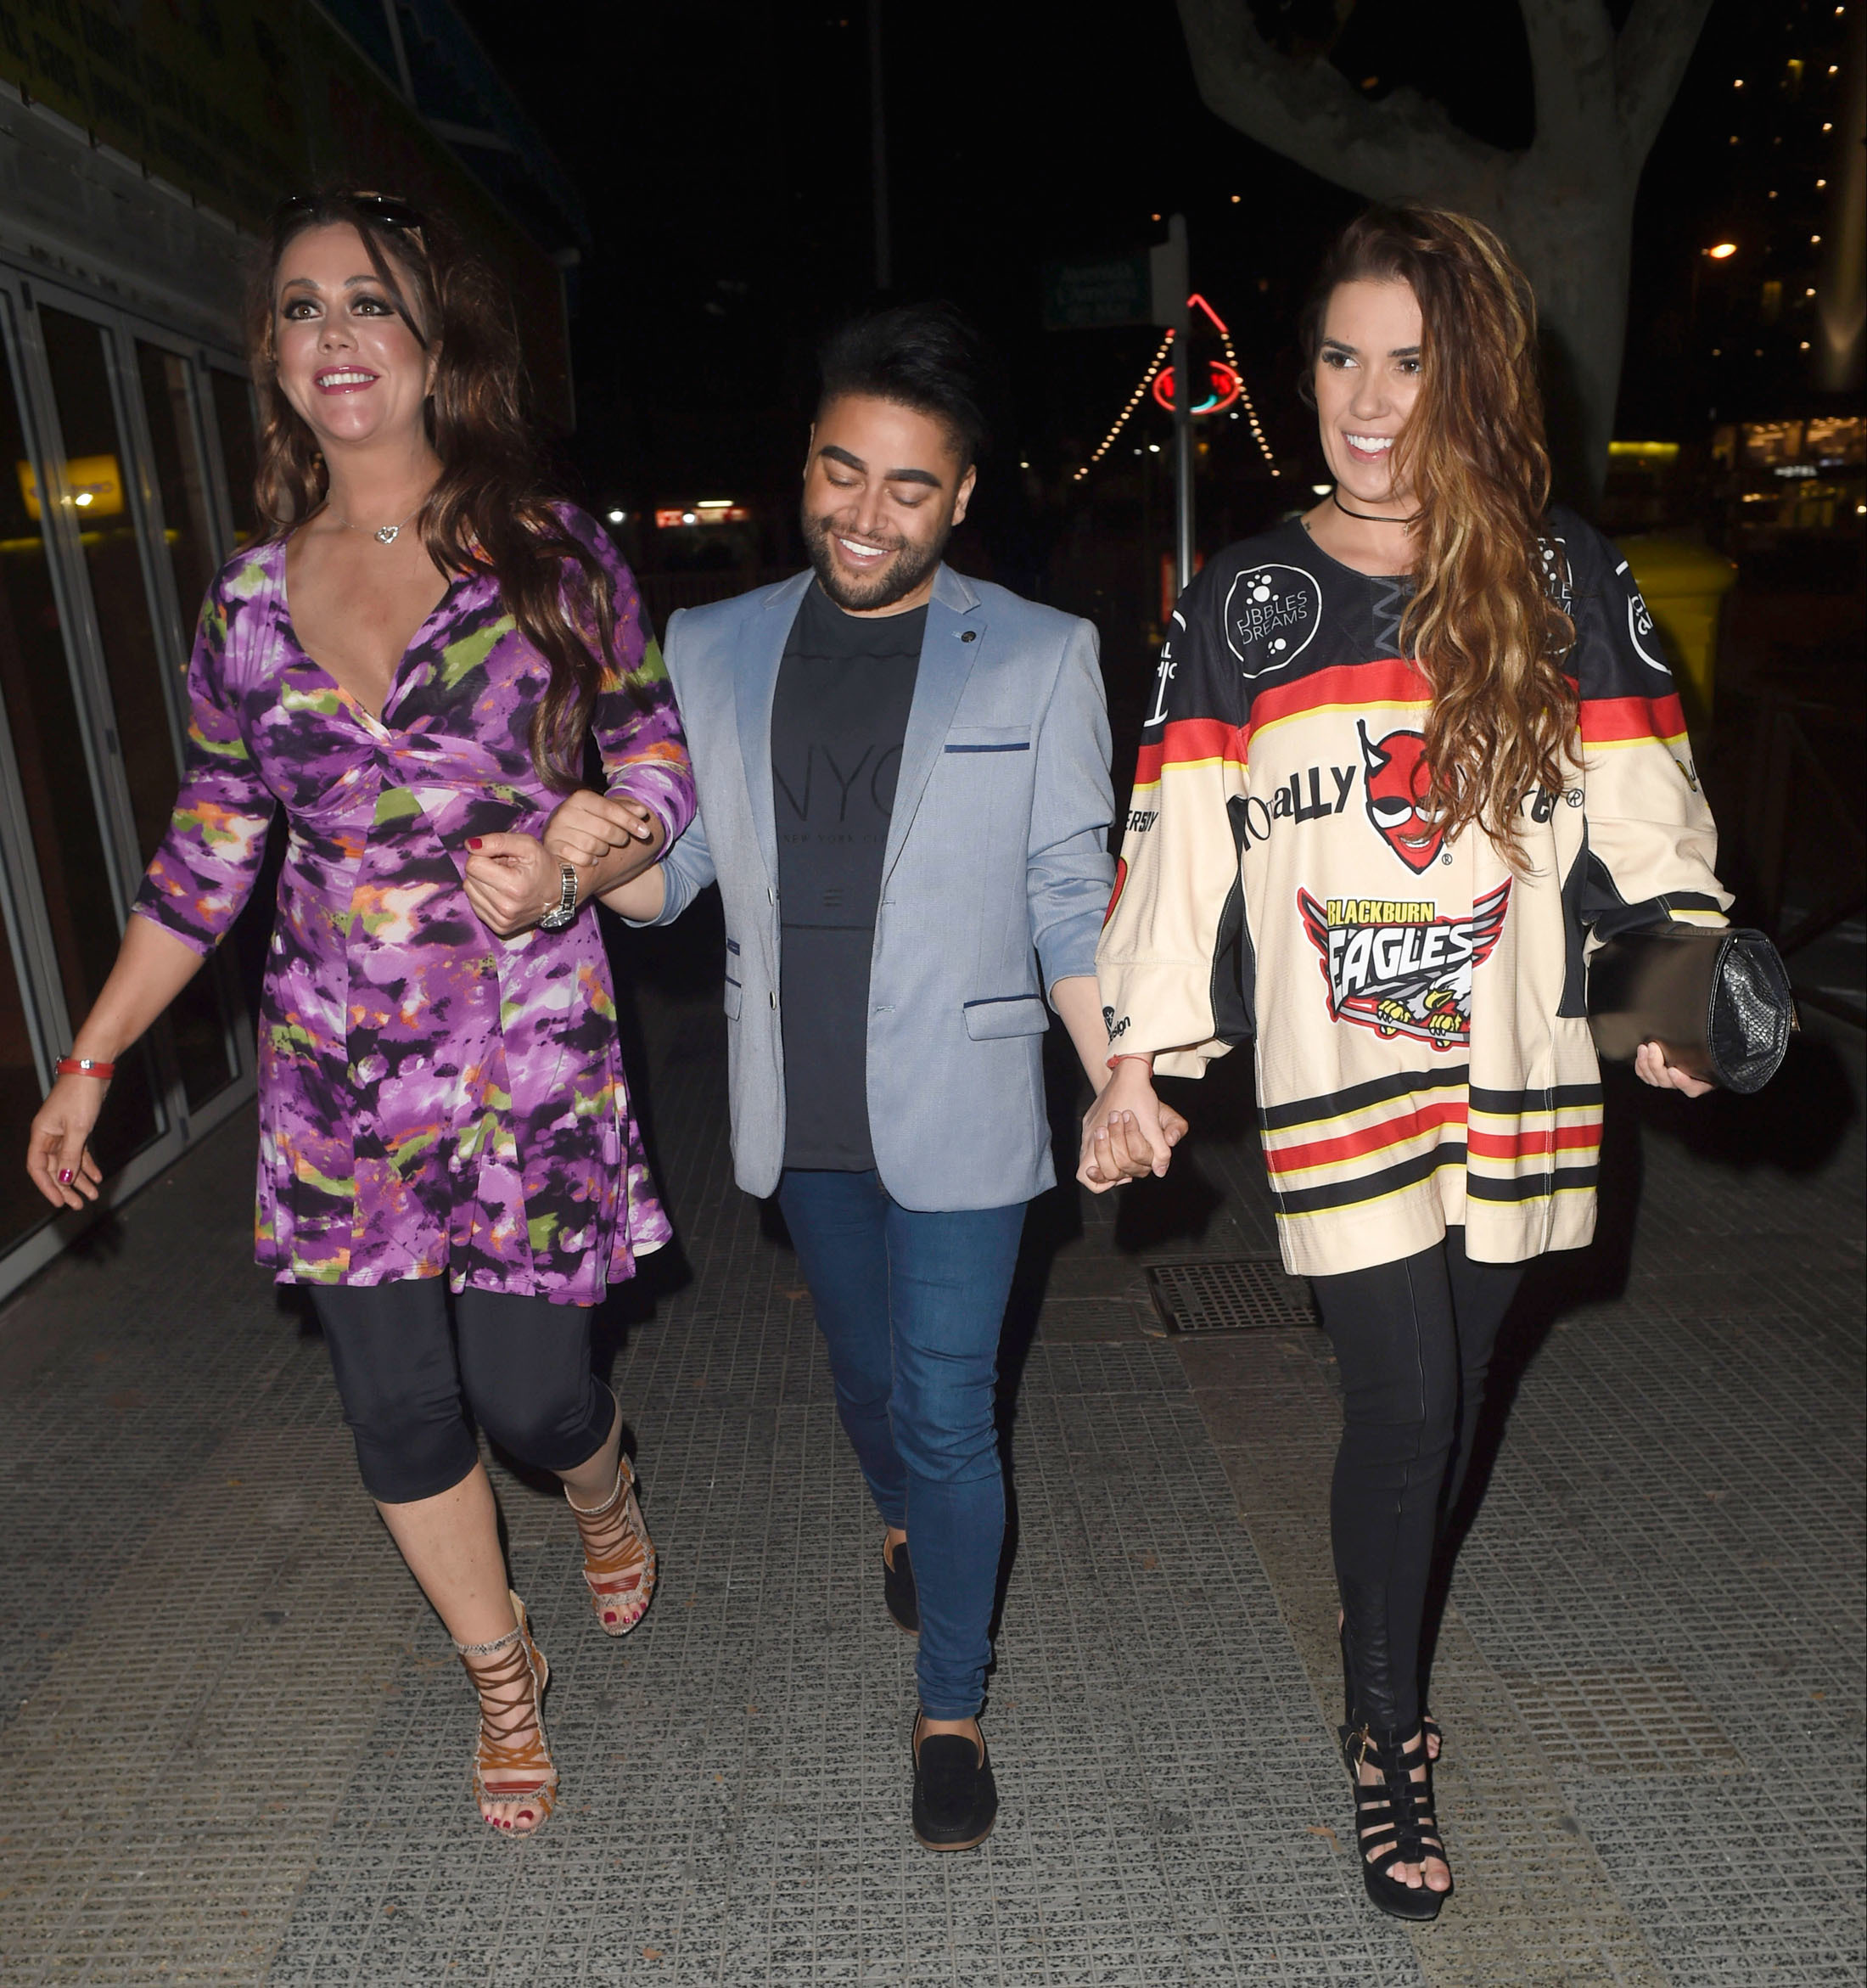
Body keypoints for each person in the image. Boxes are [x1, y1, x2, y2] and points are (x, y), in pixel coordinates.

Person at [24, 190, 694, 1838]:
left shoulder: (550, 553)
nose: (335, 332)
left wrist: (574, 851)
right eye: (304, 306)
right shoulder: (248, 607)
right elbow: (205, 857)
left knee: (532, 1395)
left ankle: (600, 1480)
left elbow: (656, 759)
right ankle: (500, 1668)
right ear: (273, 354)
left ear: (433, 340)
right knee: (395, 1403)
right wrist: (90, 1060)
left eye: (370, 301)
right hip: (337, 1068)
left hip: (528, 1047)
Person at [1087, 206, 1726, 1920]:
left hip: (1522, 1064)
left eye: (1411, 363)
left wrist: (1671, 1003)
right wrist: (1141, 1059)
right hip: (1337, 1072)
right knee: (1410, 1404)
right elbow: (1178, 844)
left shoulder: (1560, 575)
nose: (1367, 403)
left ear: (1475, 377)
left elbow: (1643, 829)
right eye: (1339, 358)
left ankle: (1377, 1612)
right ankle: (1387, 1732)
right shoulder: (1248, 603)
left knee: (1455, 1395)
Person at [560, 304, 1120, 1850]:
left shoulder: (1043, 654)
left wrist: (1116, 1072)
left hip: (967, 1095)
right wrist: (585, 857)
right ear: (805, 461)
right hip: (801, 1099)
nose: (867, 512)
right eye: (841, 471)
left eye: (910, 486)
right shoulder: (711, 644)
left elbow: (1070, 889)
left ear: (964, 495)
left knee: (950, 1411)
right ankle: (899, 1519)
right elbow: (673, 877)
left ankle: (951, 1707)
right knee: (869, 1386)